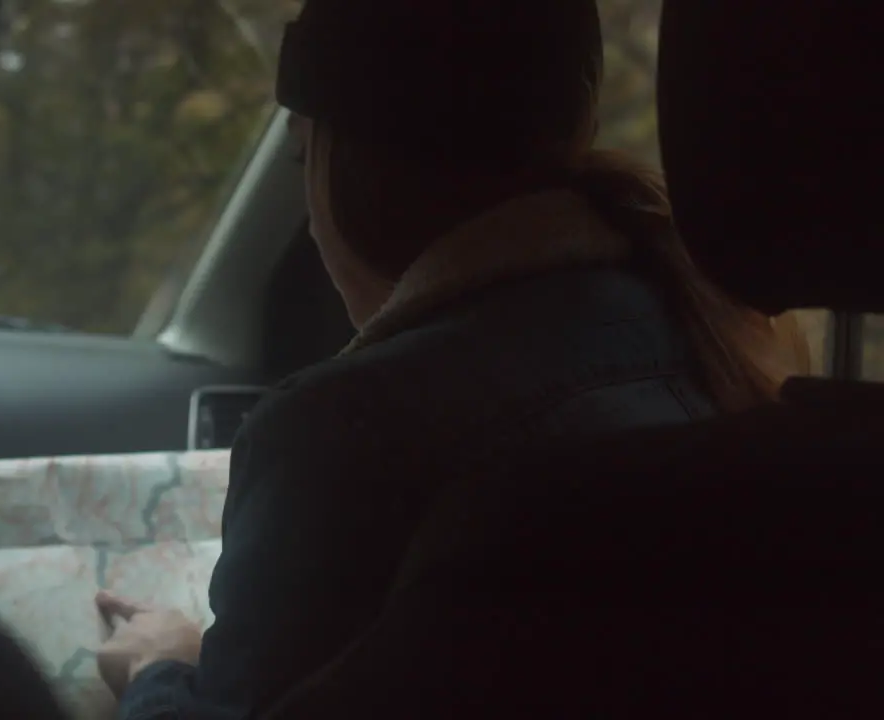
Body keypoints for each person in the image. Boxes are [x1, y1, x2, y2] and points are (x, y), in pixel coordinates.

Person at [91, 1, 810, 718]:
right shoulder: (733, 358)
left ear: (348, 168)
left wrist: (158, 669)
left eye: (301, 157)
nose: (311, 224)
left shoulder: (338, 442)